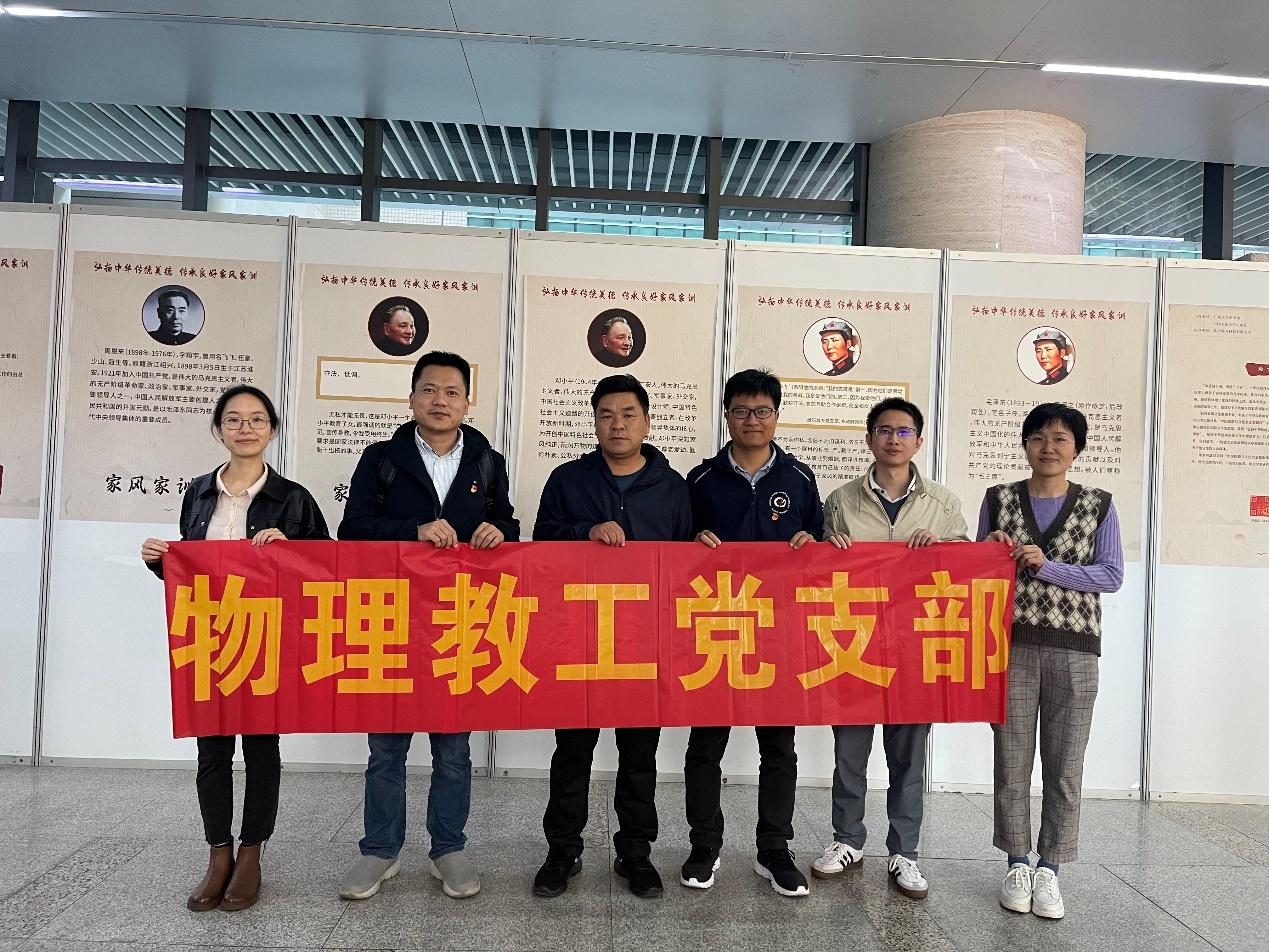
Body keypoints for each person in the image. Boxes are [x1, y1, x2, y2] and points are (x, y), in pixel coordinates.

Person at [336, 350, 518, 903]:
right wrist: (412, 529)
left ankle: (448, 848)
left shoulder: (486, 461)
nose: (441, 401)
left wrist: (498, 531)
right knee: (387, 746)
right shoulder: (381, 458)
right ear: (412, 398)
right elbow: (353, 529)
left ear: (467, 402)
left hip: (459, 618)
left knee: (454, 747)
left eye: (452, 392)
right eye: (430, 390)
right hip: (393, 616)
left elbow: (506, 520)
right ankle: (380, 850)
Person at [140, 385, 329, 913]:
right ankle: (217, 853)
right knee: (213, 750)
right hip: (210, 637)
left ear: (272, 429)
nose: (246, 428)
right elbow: (193, 573)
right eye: (234, 419)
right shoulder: (199, 493)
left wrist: (291, 550)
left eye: (257, 419)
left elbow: (327, 567)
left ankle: (251, 854)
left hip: (268, 636)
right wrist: (159, 561)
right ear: (219, 429)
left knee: (262, 749)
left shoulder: (293, 498)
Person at [531, 374, 692, 900]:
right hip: (578, 639)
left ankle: (636, 853)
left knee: (639, 754)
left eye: (628, 414)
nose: (617, 424)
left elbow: (685, 566)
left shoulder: (673, 487)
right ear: (595, 422)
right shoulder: (567, 480)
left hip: (645, 643)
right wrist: (585, 532)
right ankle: (562, 850)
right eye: (606, 415)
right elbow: (540, 546)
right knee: (572, 751)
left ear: (647, 422)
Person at [813, 397, 968, 900]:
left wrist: (942, 548)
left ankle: (905, 852)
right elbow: (817, 570)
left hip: (914, 648)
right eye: (884, 430)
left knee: (908, 757)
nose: (894, 439)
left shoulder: (942, 503)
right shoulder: (841, 500)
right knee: (849, 753)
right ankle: (847, 840)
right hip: (854, 643)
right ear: (869, 438)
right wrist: (828, 548)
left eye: (904, 432)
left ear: (918, 442)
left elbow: (967, 567)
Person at [681, 368, 823, 897]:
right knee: (705, 745)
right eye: (741, 411)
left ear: (776, 416)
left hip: (778, 632)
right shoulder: (700, 479)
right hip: (716, 626)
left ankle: (774, 850)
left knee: (779, 748)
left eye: (762, 411)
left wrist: (811, 542)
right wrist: (693, 540)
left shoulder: (800, 478)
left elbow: (822, 551)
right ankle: (704, 846)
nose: (752, 420)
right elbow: (674, 549)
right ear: (727, 416)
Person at [979, 403, 1123, 921]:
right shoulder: (998, 499)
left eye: (1060, 438)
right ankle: (1017, 863)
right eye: (1038, 437)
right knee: (1011, 761)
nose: (1048, 447)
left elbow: (1111, 575)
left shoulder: (1099, 504)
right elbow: (976, 571)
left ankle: (1051, 868)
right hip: (1009, 648)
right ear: (1025, 444)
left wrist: (1049, 567)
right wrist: (989, 548)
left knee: (1065, 767)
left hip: (1075, 650)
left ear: (1077, 448)